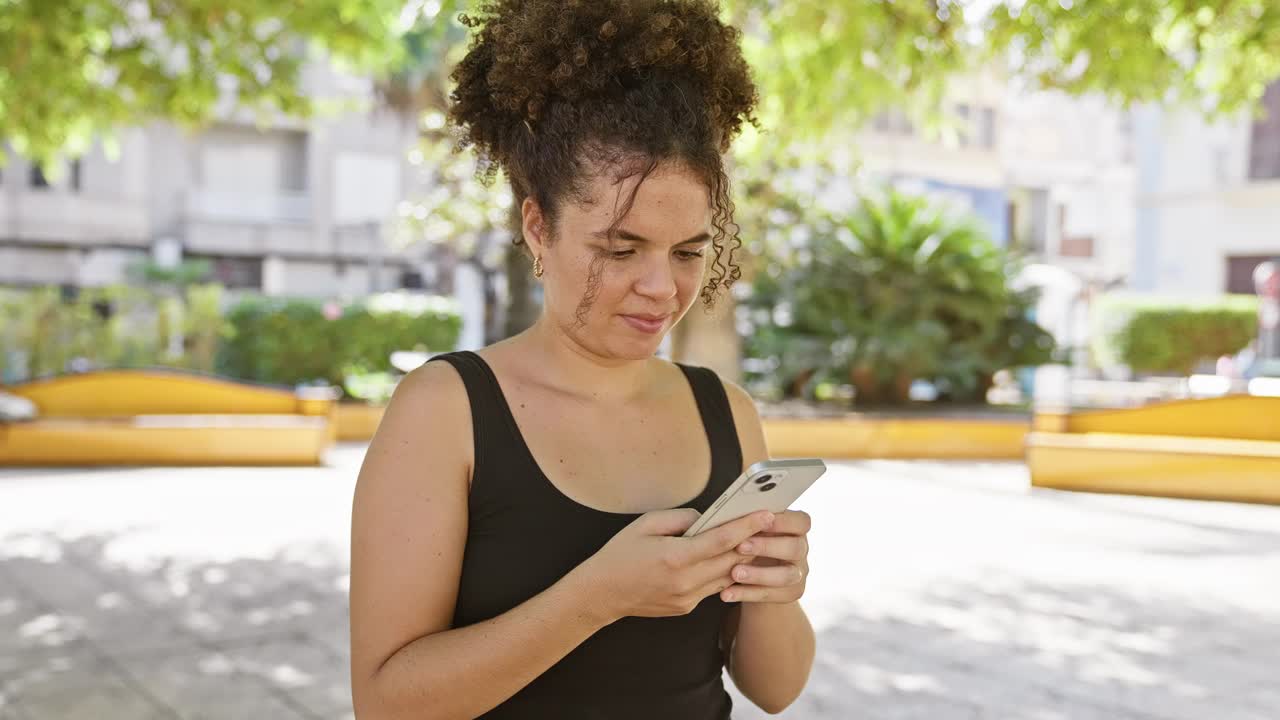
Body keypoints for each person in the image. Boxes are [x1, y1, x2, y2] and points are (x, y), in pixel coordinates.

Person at [348, 1, 816, 717]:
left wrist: (775, 595)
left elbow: (775, 690)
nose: (661, 288)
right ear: (538, 227)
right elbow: (386, 703)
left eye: (689, 252)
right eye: (620, 249)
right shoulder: (446, 410)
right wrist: (597, 597)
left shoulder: (727, 413)